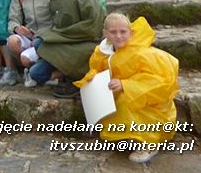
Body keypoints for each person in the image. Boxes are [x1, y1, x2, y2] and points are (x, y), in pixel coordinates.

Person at [74, 14, 180, 164]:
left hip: (146, 99)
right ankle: (127, 135)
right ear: (105, 33)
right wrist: (93, 77)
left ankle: (148, 142)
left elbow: (158, 80)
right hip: (115, 92)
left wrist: (126, 84)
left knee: (125, 100)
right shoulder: (102, 52)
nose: (118, 36)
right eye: (113, 32)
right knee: (114, 101)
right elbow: (96, 68)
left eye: (123, 32)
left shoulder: (142, 53)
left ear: (131, 32)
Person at [32, 0, 105, 97]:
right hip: (66, 43)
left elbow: (94, 27)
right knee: (36, 69)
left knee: (40, 51)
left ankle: (73, 77)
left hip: (85, 44)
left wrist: (61, 35)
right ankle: (65, 73)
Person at [5, 0, 53, 87]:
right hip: (30, 36)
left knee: (28, 57)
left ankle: (43, 69)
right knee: (12, 41)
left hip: (48, 38)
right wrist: (17, 28)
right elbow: (13, 19)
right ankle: (29, 69)